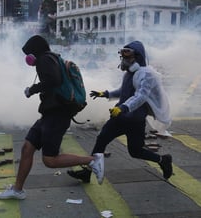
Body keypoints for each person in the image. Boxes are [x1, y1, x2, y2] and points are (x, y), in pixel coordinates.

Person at [0, 35, 104, 200]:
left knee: (50, 160)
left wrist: (32, 90)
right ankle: (17, 190)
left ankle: (92, 160)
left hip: (57, 115)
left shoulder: (45, 59)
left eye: (29, 54)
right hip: (49, 114)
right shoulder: (51, 58)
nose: (28, 58)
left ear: (35, 51)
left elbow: (54, 80)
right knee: (27, 148)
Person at [67, 41, 173, 183]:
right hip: (120, 117)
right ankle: (88, 172)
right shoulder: (129, 73)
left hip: (135, 119)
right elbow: (123, 91)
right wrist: (105, 94)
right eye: (124, 57)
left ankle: (163, 160)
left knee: (135, 151)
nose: (125, 60)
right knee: (102, 139)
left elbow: (141, 96)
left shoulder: (147, 75)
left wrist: (123, 107)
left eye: (128, 57)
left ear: (138, 57)